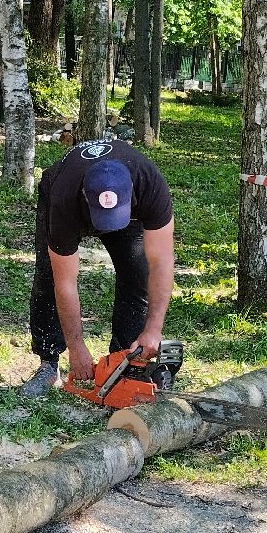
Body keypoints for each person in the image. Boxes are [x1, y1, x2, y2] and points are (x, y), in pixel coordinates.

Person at [21, 138, 176, 398]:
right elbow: (65, 283)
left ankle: (124, 364)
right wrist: (76, 347)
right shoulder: (64, 199)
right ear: (85, 195)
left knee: (138, 272)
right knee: (49, 276)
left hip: (129, 208)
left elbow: (161, 263)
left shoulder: (149, 184)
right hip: (65, 197)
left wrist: (153, 330)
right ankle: (48, 364)